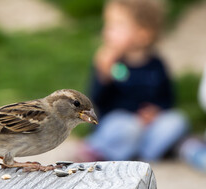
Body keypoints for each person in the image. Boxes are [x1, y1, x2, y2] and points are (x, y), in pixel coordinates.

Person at [77, 0, 189, 162]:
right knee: (126, 127)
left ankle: (142, 154)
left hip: (148, 126)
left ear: (143, 34)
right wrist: (103, 76)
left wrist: (156, 111)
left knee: (177, 120)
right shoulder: (109, 63)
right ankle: (96, 147)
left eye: (116, 25)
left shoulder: (157, 65)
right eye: (107, 25)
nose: (107, 31)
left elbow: (167, 98)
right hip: (119, 123)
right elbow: (97, 100)